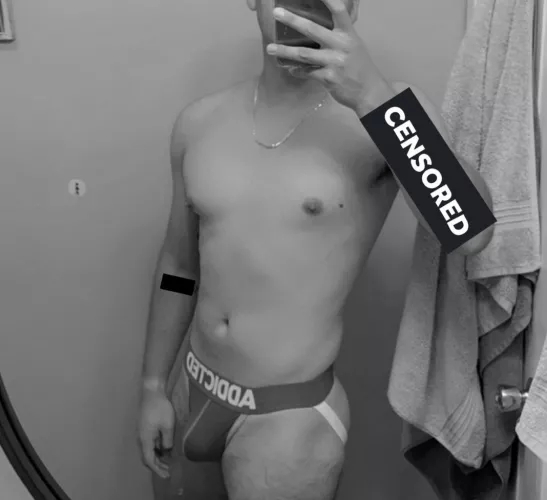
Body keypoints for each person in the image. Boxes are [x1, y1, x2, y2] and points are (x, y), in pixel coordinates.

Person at [137, 1, 494, 499]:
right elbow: (179, 266)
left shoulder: (387, 113)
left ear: (352, 5)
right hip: (190, 388)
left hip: (287, 420)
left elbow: (469, 231)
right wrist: (153, 385)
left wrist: (372, 96)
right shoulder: (198, 122)